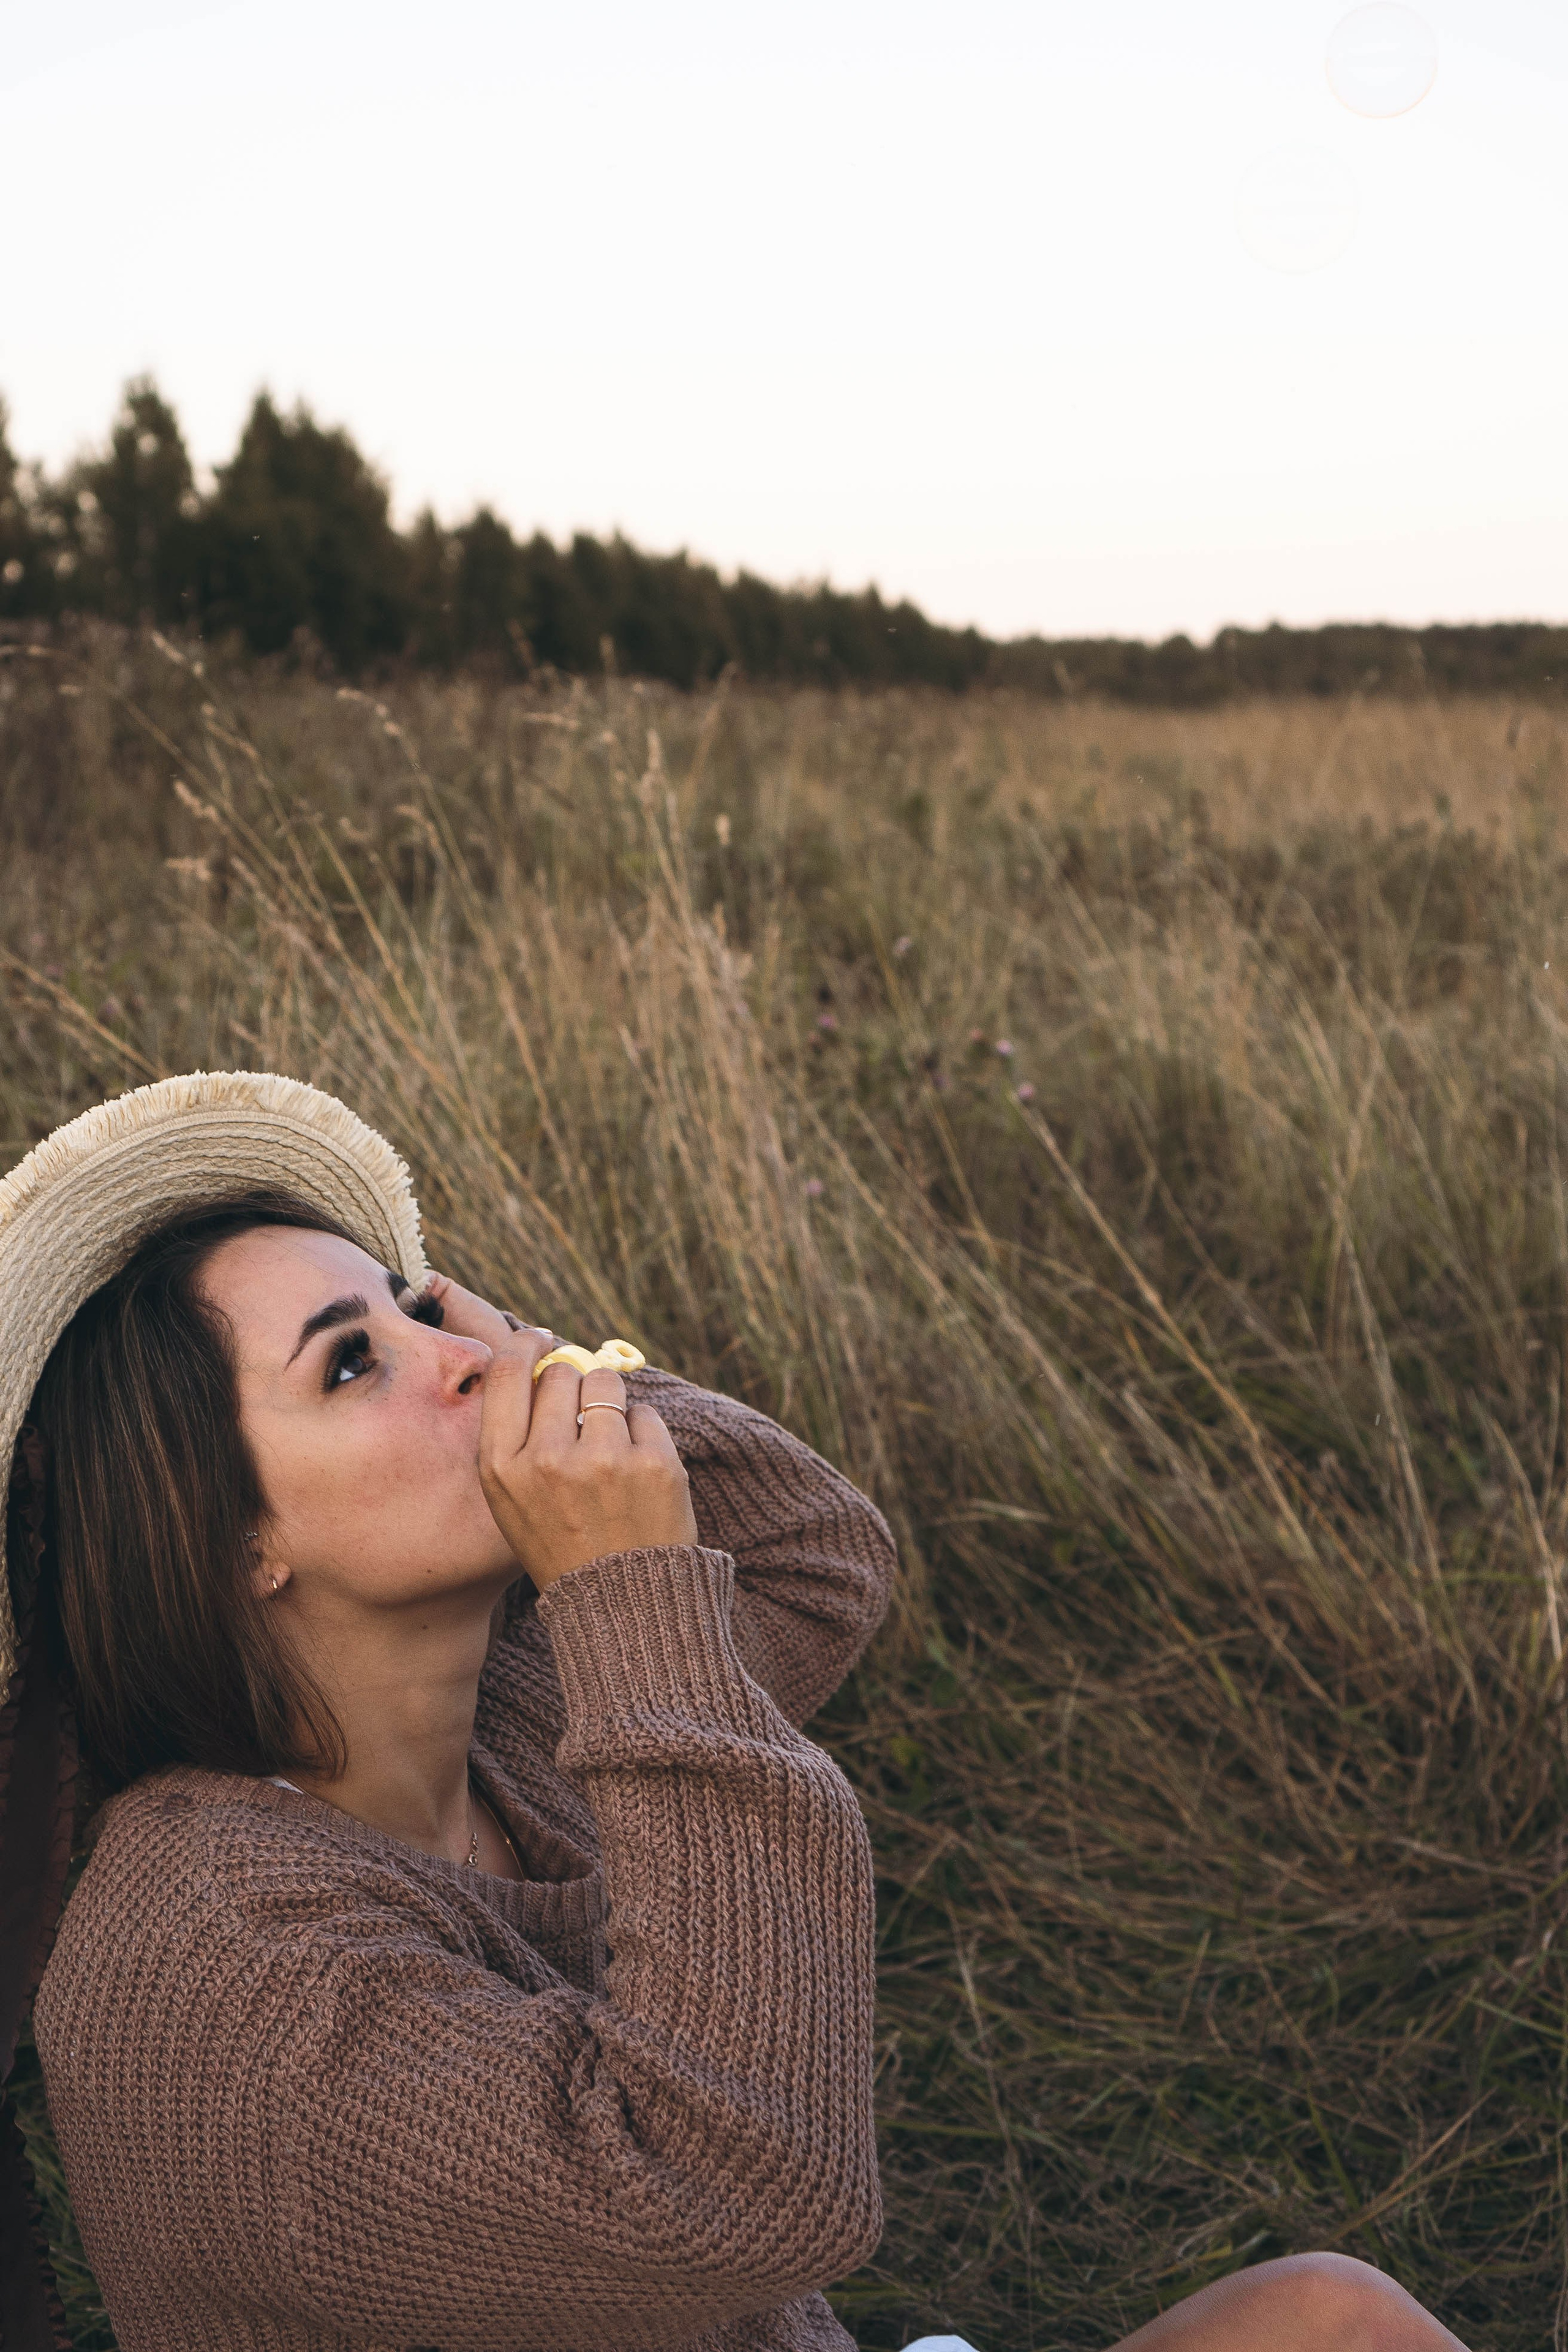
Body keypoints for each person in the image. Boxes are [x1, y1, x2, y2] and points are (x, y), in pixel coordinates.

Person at [0, 1074, 1471, 2352]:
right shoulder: (212, 1967)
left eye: (418, 1302)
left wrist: (553, 1379)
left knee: (1335, 2316)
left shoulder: (508, 1722)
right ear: (226, 1543)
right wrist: (624, 1575)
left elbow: (809, 1556)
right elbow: (748, 2187)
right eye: (352, 1359)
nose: (467, 1356)